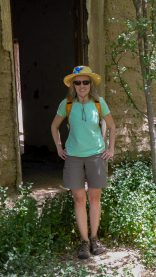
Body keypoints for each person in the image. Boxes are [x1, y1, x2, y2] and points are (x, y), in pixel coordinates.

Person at [51, 66, 115, 259]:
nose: (81, 85)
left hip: (96, 155)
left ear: (91, 84)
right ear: (72, 85)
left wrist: (110, 149)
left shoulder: (99, 102)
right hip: (73, 157)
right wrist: (59, 147)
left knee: (95, 199)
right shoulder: (67, 103)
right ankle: (84, 242)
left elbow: (111, 125)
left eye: (85, 82)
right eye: (77, 82)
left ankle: (95, 239)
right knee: (79, 200)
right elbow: (54, 126)